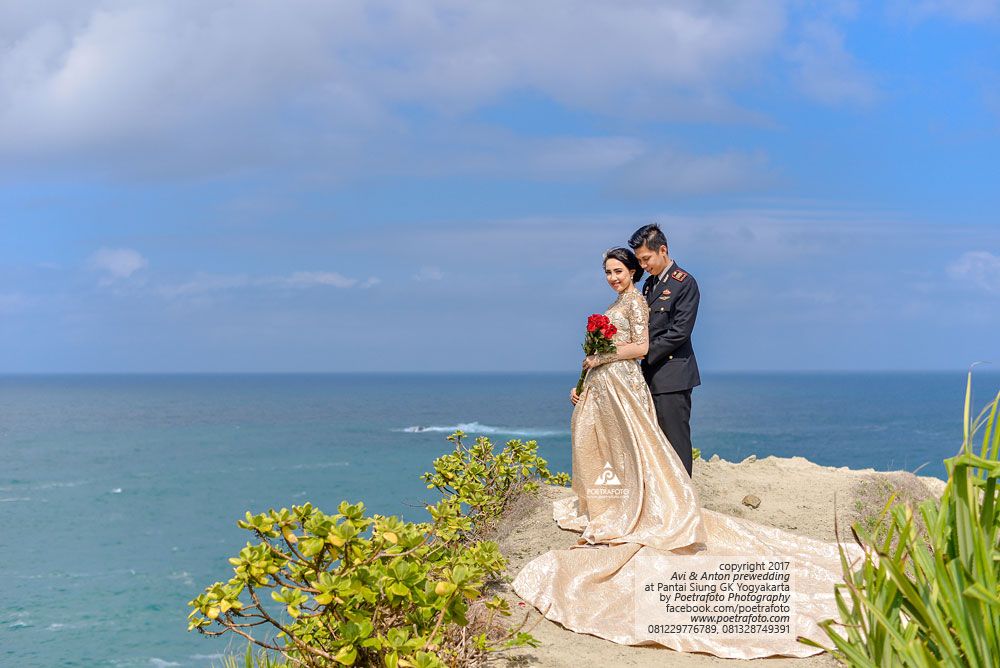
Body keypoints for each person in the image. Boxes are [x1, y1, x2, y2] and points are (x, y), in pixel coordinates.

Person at [512, 247, 864, 659]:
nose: (614, 276)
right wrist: (587, 375)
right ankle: (617, 500)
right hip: (608, 383)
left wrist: (601, 355)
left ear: (641, 263)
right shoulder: (623, 299)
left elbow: (644, 346)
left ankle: (662, 504)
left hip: (625, 381)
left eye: (620, 269)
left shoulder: (643, 298)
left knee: (644, 448)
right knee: (614, 451)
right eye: (609, 271)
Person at [632, 223, 699, 477]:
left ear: (663, 250)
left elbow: (680, 332)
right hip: (650, 375)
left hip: (673, 376)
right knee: (656, 442)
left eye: (646, 259)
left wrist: (643, 353)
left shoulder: (685, 283)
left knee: (676, 442)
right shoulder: (649, 285)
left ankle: (685, 501)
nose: (643, 265)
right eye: (639, 261)